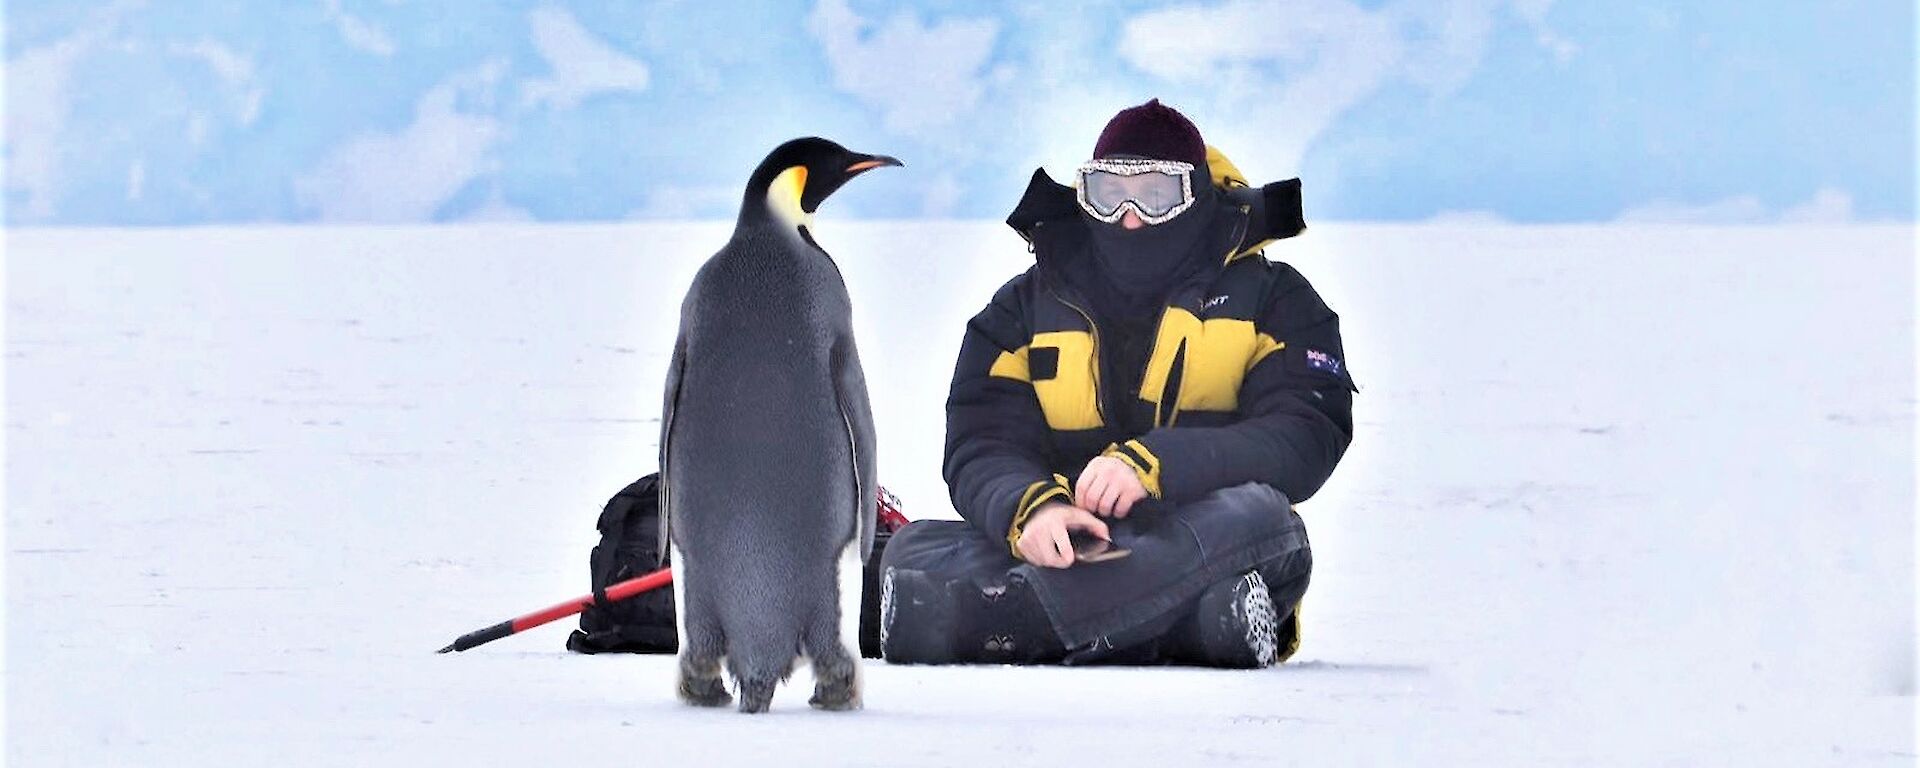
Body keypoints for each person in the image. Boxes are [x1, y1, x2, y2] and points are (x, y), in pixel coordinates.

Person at [877, 99, 1356, 668]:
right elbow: (981, 440)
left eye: (1156, 196)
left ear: (1197, 198)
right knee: (913, 546)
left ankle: (1006, 621)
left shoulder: (1276, 300)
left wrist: (1154, 465)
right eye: (1109, 194)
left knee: (1264, 520)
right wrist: (1030, 511)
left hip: (1202, 532)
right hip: (1070, 543)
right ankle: (1189, 626)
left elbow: (1305, 433)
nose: (1129, 217)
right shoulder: (1021, 309)